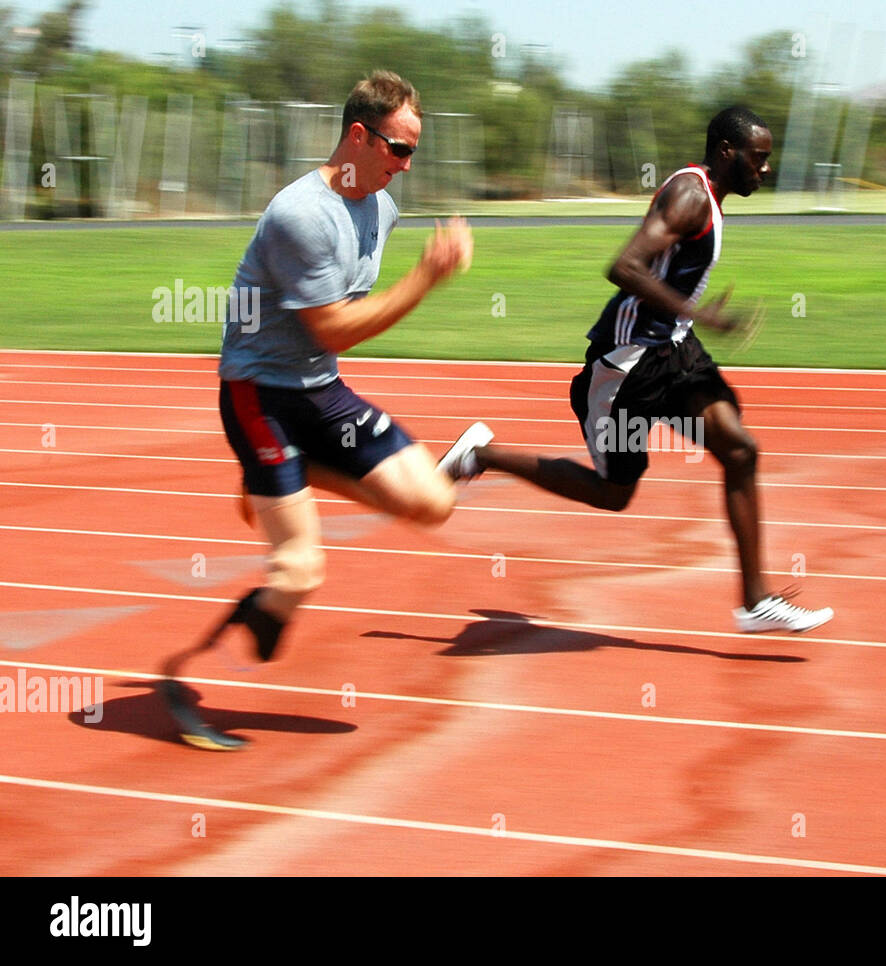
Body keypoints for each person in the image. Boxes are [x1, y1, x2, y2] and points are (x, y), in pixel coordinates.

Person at [160, 70, 474, 750]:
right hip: (259, 393)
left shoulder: (380, 208)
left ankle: (280, 477)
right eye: (398, 149)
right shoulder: (298, 215)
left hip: (318, 389)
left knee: (433, 500)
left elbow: (338, 334)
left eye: (414, 151)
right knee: (301, 570)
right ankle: (192, 684)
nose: (406, 165)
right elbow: (333, 327)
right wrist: (425, 278)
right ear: (357, 136)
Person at [439, 106, 833, 634]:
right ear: (727, 152)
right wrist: (699, 311)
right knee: (614, 493)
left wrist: (688, 322)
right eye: (757, 159)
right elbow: (623, 267)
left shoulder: (706, 196)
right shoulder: (691, 196)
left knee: (740, 450)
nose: (764, 169)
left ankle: (755, 601)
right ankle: (480, 454)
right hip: (629, 365)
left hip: (674, 350)